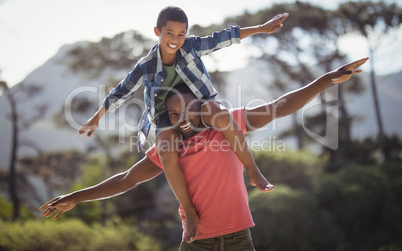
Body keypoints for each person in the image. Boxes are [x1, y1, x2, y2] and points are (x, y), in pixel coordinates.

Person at [40, 57, 369, 250]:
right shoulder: (169, 148)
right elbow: (126, 180)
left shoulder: (229, 126)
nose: (179, 118)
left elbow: (280, 107)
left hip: (240, 238)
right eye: (172, 114)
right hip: (197, 241)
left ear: (200, 110)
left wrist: (326, 79)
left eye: (185, 110)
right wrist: (76, 197)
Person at [77, 6, 288, 238]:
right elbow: (121, 92)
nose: (175, 40)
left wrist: (260, 28)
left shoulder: (190, 46)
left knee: (222, 115)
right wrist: (96, 119)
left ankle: (254, 171)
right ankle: (188, 211)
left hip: (199, 104)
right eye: (169, 33)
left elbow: (222, 38)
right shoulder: (146, 65)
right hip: (167, 116)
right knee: (166, 151)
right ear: (157, 31)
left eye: (180, 34)